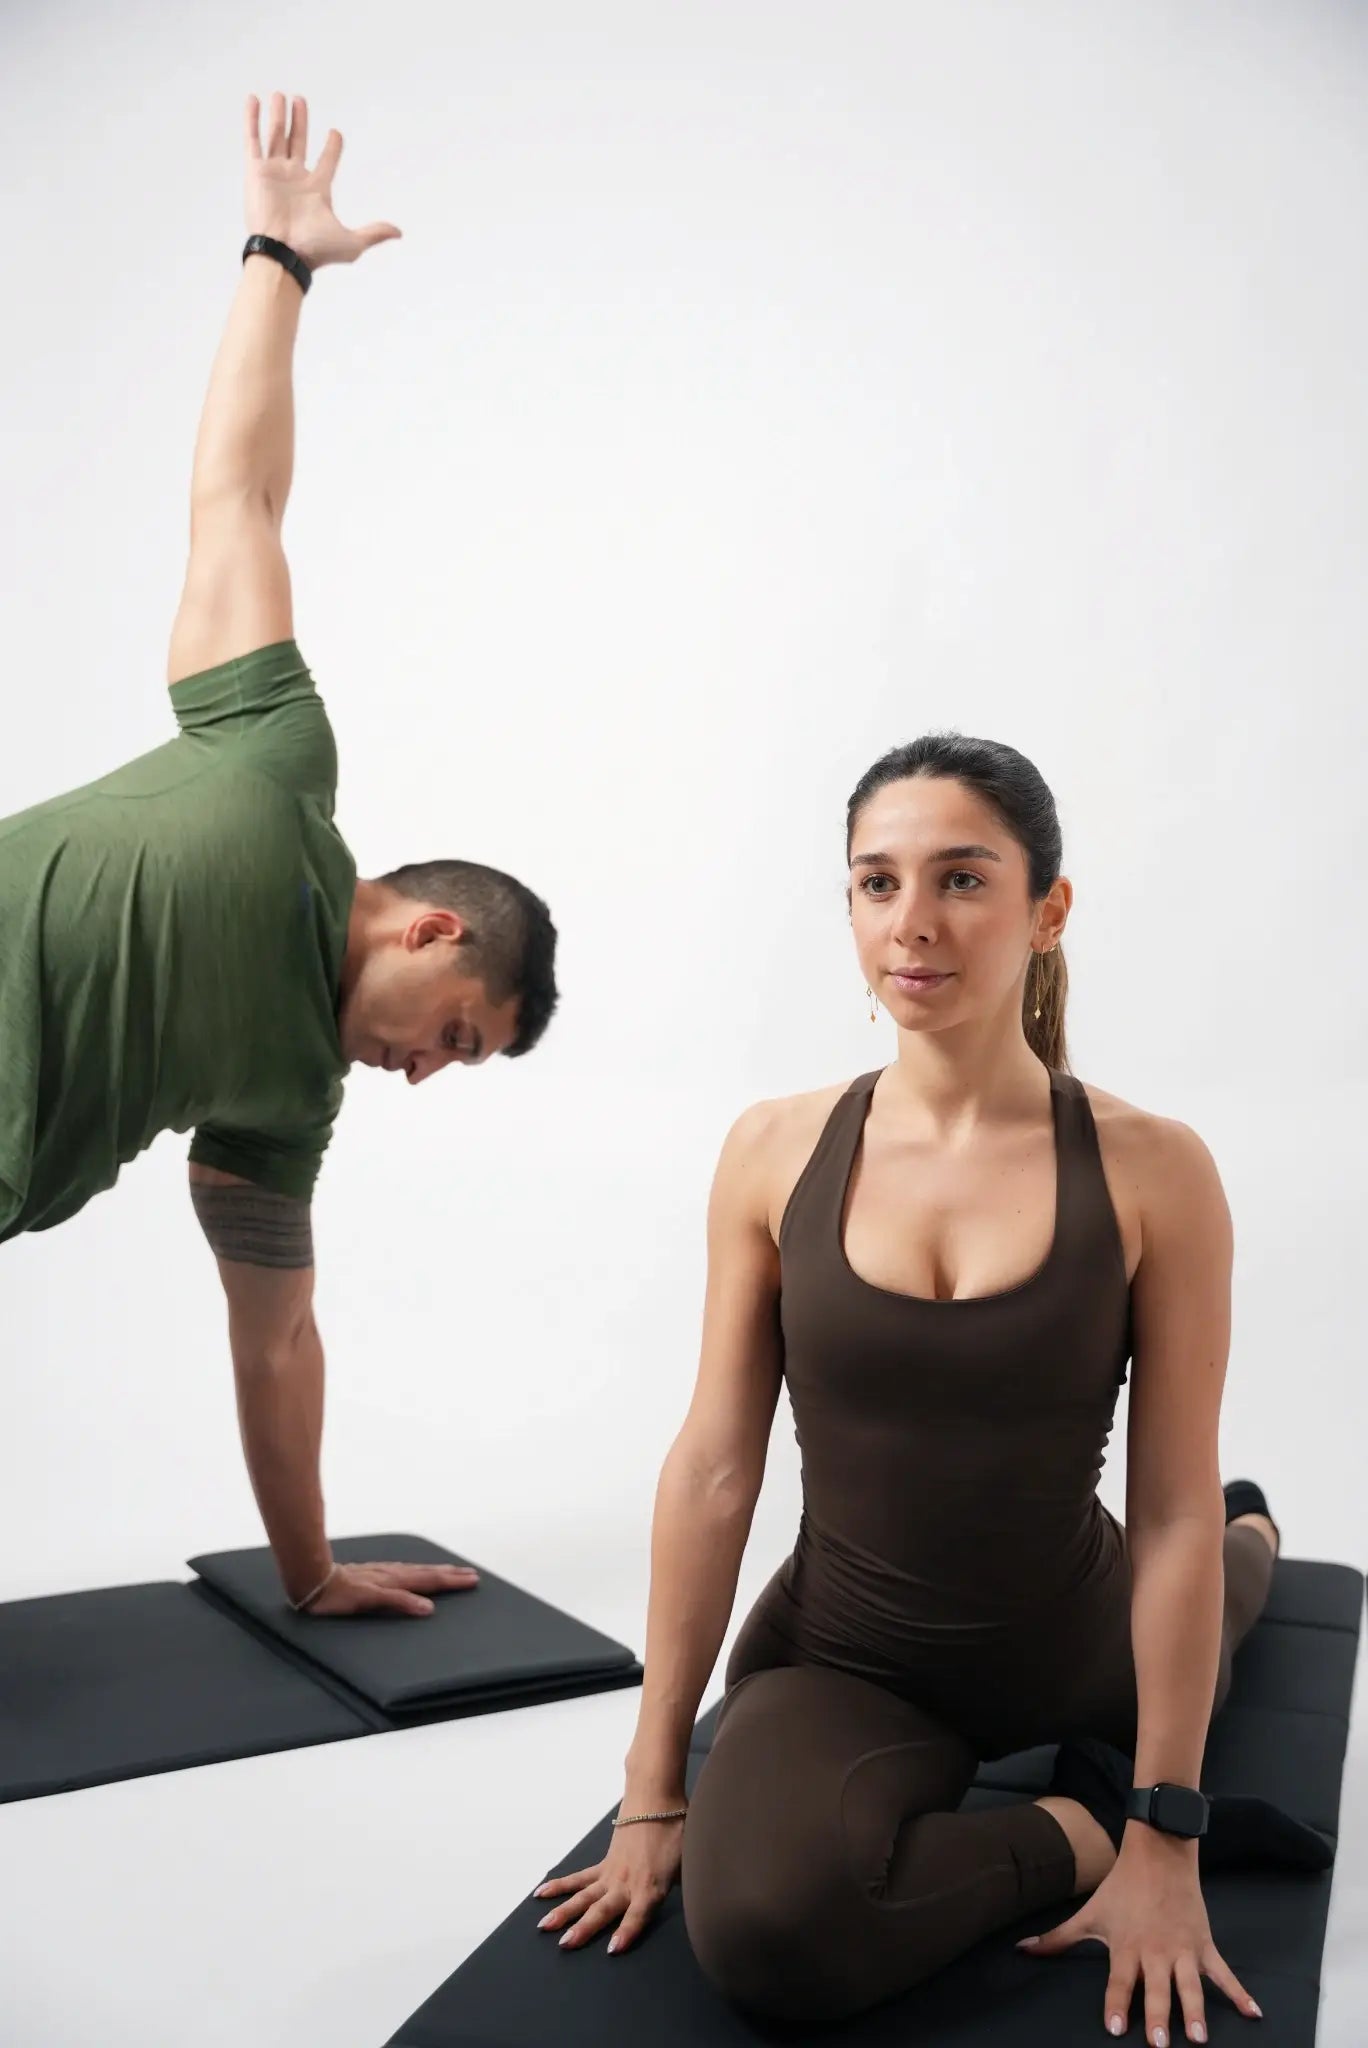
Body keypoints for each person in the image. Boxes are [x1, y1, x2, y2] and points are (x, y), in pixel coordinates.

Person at [530, 733, 1313, 2047]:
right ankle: (1063, 1827)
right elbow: (718, 1464)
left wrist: (1167, 1833)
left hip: (1083, 1636)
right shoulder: (773, 1151)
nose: (914, 924)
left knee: (1218, 1563)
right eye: (876, 883)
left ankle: (1264, 1535)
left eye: (961, 879)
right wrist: (651, 1786)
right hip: (849, 1659)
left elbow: (1166, 1508)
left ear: (1046, 910)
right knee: (772, 1937)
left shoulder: (1155, 1169)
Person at [0, 94, 557, 1620]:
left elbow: (277, 1342)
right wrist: (278, 259)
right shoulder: (276, 767)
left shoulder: (286, 1110)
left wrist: (309, 1571)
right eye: (457, 1040)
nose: (427, 1077)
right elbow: (237, 499)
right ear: (436, 933)